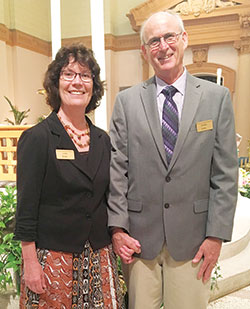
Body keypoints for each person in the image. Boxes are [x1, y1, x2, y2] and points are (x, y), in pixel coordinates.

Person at [108, 10, 238, 309]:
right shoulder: (127, 102)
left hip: (193, 239)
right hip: (140, 240)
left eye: (169, 37)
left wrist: (216, 236)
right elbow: (118, 170)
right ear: (144, 51)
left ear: (184, 40)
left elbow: (225, 173)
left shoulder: (215, 98)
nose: (163, 47)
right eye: (154, 41)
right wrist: (117, 228)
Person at [14, 43, 124, 308]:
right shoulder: (37, 138)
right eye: (69, 74)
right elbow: (26, 208)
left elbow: (109, 196)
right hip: (53, 259)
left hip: (99, 257)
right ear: (56, 83)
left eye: (86, 76)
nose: (78, 82)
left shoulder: (102, 140)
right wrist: (30, 263)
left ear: (93, 86)